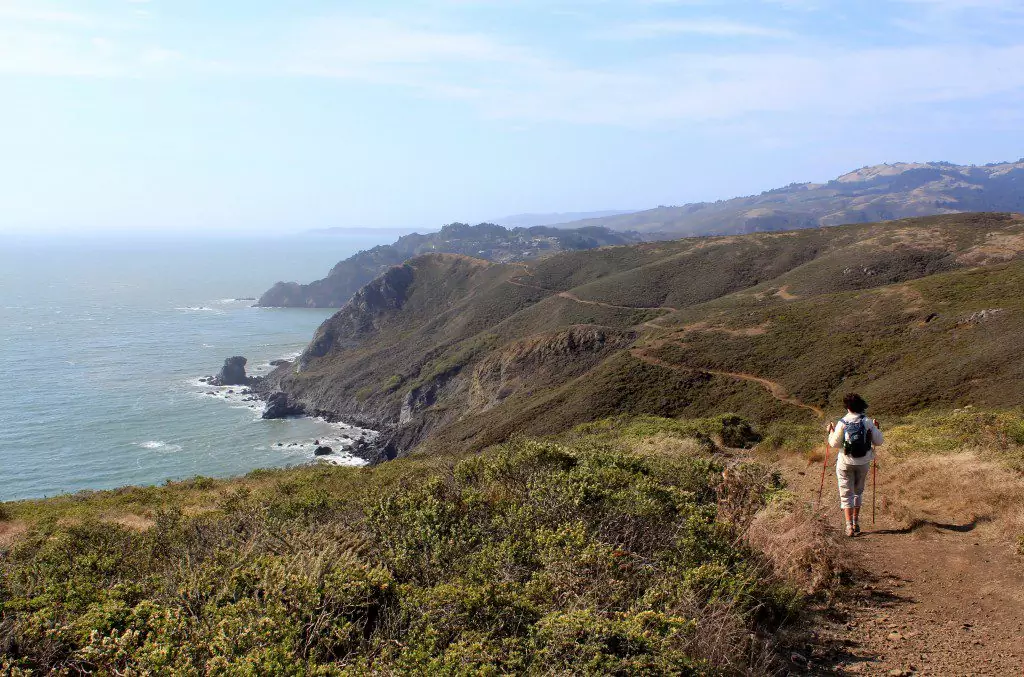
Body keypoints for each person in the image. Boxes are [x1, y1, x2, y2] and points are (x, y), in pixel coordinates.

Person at [828, 393, 883, 537]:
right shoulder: (867, 421)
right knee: (858, 492)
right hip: (863, 462)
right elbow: (879, 441)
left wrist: (831, 432)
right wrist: (876, 428)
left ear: (847, 407)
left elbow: (834, 444)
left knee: (846, 493)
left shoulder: (842, 422)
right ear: (861, 406)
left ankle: (848, 527)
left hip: (845, 463)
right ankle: (855, 522)